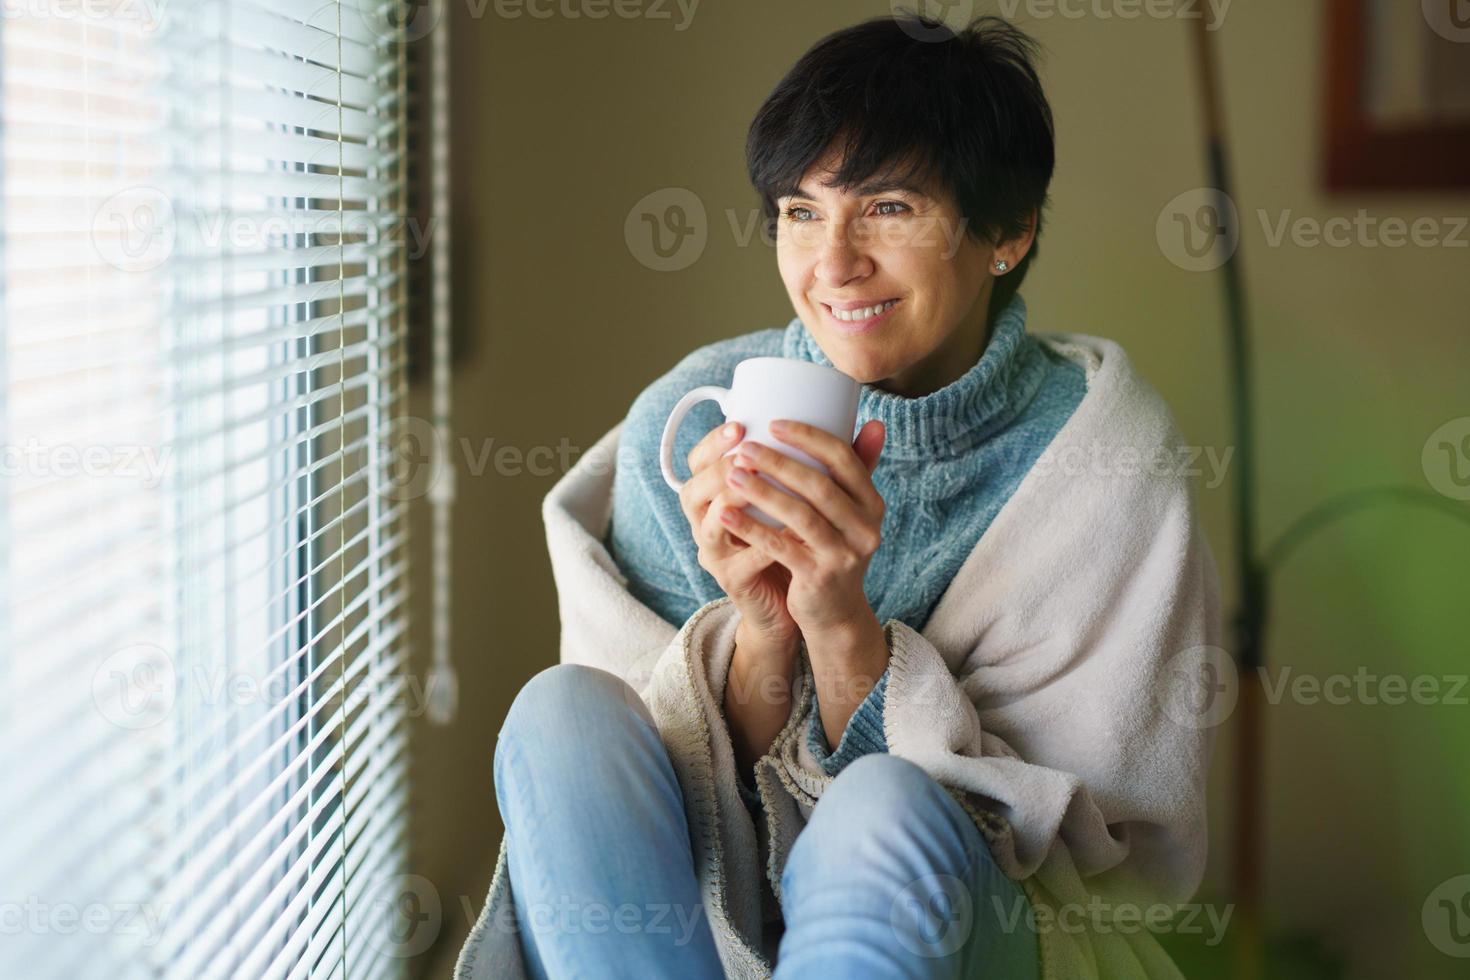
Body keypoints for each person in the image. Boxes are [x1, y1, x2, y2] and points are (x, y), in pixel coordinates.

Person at [481, 10, 1217, 980]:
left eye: (888, 208)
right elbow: (665, 802)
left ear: (1008, 229)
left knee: (882, 806)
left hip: (991, 922)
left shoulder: (1100, 462)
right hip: (691, 932)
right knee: (561, 713)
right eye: (800, 210)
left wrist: (842, 630)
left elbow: (1094, 855)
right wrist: (760, 629)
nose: (833, 264)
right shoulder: (696, 426)